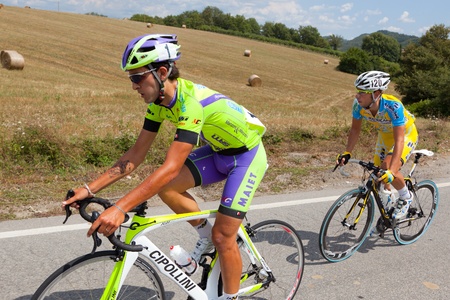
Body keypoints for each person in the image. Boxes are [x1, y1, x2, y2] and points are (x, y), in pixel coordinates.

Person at [62, 34, 268, 299]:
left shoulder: (191, 104)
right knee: (169, 190)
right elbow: (135, 156)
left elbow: (171, 167)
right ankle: (206, 236)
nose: (134, 86)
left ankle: (230, 292)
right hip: (219, 152)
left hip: (247, 157)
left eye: (137, 78)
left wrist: (120, 208)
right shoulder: (158, 104)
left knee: (224, 237)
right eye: (130, 79)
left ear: (161, 72)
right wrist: (88, 189)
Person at [336, 70, 418, 221]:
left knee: (388, 169)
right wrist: (347, 152)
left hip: (405, 135)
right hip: (385, 137)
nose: (357, 96)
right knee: (377, 174)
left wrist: (392, 171)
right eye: (357, 91)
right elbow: (355, 130)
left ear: (376, 93)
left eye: (362, 92)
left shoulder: (393, 106)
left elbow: (399, 139)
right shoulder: (358, 106)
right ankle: (388, 206)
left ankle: (406, 196)